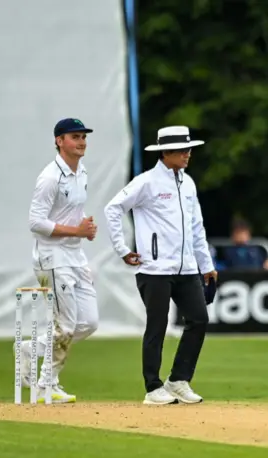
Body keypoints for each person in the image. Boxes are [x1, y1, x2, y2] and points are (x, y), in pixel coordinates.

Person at [104, 125, 217, 406]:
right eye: (183, 149)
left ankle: (178, 380)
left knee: (199, 319)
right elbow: (113, 208)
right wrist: (122, 249)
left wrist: (206, 264)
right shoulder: (146, 182)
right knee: (157, 326)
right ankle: (153, 387)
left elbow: (196, 226)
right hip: (154, 269)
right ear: (166, 153)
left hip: (187, 268)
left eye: (189, 148)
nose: (188, 154)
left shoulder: (187, 183)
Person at [23, 117, 99, 403]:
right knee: (65, 326)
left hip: (75, 255)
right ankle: (47, 384)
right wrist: (75, 230)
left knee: (89, 322)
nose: (81, 142)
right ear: (59, 141)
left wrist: (84, 228)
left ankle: (33, 350)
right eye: (74, 137)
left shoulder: (82, 172)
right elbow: (35, 222)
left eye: (83, 137)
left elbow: (68, 214)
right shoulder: (49, 177)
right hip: (52, 258)